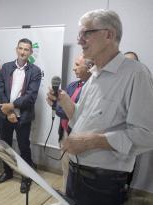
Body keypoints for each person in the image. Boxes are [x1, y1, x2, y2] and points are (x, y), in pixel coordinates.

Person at [47, 9, 153, 205]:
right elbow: (81, 119)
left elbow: (147, 135)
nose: (79, 40)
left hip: (103, 181)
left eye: (86, 33)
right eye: (79, 34)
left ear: (109, 35)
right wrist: (64, 100)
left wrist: (92, 141)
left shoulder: (136, 74)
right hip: (75, 171)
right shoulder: (94, 75)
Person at [0, 38, 42, 194]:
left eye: (26, 49)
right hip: (5, 115)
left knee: (24, 148)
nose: (23, 52)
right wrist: (8, 111)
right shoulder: (7, 67)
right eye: (21, 48)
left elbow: (31, 96)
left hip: (23, 117)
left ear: (30, 52)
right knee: (5, 145)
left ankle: (26, 177)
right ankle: (7, 172)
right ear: (16, 49)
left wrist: (13, 107)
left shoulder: (35, 71)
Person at [56, 55, 93, 193]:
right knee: (65, 168)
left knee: (78, 172)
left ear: (89, 68)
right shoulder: (72, 85)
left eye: (77, 65)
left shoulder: (93, 88)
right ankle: (65, 194)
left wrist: (66, 109)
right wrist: (65, 108)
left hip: (79, 137)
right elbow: (59, 108)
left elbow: (81, 114)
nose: (74, 68)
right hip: (65, 132)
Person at [124, 51, 153, 205]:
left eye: (131, 62)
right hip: (114, 139)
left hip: (132, 136)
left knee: (130, 165)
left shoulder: (143, 82)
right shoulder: (117, 82)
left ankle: (125, 191)